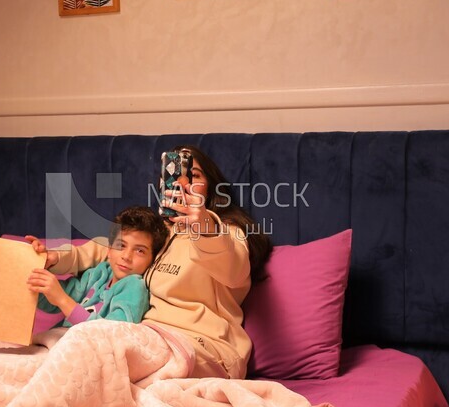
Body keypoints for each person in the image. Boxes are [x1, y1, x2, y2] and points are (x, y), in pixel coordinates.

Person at [27, 145, 272, 380]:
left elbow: (234, 270)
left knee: (97, 357)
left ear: (211, 188)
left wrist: (204, 225)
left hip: (204, 345)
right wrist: (56, 257)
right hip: (146, 336)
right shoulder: (159, 231)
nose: (183, 183)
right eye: (175, 174)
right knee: (75, 356)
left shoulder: (226, 232)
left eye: (194, 176)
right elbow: (107, 247)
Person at [26, 206, 168, 328]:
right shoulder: (98, 274)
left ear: (152, 261)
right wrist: (34, 274)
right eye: (121, 245)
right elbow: (53, 302)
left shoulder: (135, 288)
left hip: (92, 352)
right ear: (109, 250)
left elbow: (112, 332)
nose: (126, 256)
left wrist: (62, 299)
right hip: (62, 342)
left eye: (139, 251)